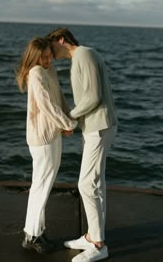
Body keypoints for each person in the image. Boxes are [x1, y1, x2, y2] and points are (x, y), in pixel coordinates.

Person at [47, 28, 117, 262]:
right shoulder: (83, 56)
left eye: (52, 47)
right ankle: (91, 237)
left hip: (99, 127)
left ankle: (98, 245)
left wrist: (69, 119)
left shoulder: (84, 54)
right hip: (97, 126)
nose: (50, 52)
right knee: (96, 183)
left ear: (61, 40)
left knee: (87, 184)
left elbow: (93, 97)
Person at [16, 36, 77, 253]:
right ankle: (32, 235)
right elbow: (47, 105)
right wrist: (67, 122)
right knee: (41, 187)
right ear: (34, 57)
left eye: (49, 57)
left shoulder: (48, 70)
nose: (48, 61)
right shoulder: (36, 73)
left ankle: (35, 231)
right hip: (42, 139)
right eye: (43, 58)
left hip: (52, 134)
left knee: (42, 185)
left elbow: (58, 97)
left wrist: (68, 119)